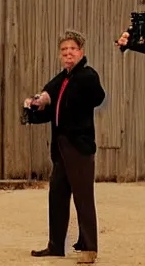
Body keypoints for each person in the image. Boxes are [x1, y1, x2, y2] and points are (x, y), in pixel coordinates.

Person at [23, 30, 106, 265]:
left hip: (79, 147)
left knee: (83, 197)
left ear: (81, 52)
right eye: (64, 50)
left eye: (72, 49)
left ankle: (89, 249)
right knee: (57, 195)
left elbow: (98, 96)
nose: (68, 53)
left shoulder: (87, 76)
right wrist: (35, 108)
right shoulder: (64, 78)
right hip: (61, 147)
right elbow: (51, 105)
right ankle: (56, 246)